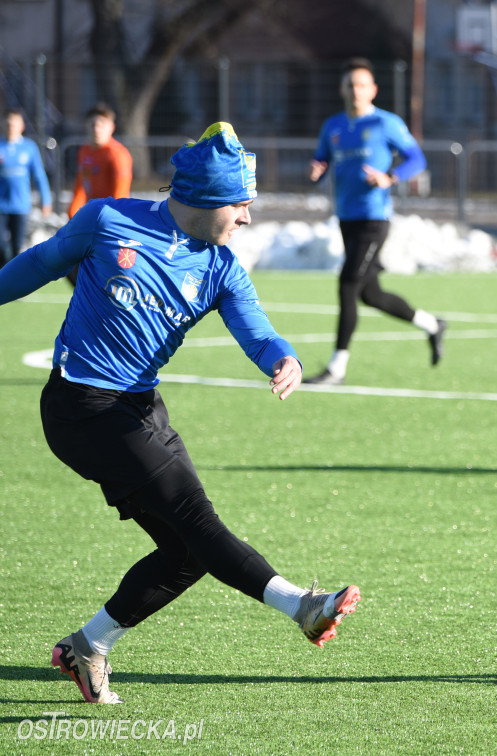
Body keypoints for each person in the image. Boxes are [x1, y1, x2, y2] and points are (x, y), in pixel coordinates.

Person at [0, 122, 361, 705]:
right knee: (196, 517)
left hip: (142, 408)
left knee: (187, 554)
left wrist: (284, 357)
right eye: (241, 205)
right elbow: (38, 264)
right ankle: (302, 605)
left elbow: (256, 330)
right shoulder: (107, 221)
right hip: (80, 407)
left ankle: (87, 647)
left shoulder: (220, 267)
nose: (246, 218)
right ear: (209, 200)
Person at [305, 57, 446, 386]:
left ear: (373, 90)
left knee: (348, 284)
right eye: (350, 85)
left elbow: (417, 159)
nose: (356, 90)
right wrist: (316, 170)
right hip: (347, 217)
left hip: (374, 219)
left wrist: (390, 177)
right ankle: (433, 325)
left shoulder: (386, 123)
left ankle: (336, 368)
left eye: (362, 85)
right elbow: (321, 159)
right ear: (342, 89)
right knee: (371, 294)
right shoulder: (334, 126)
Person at [0, 108, 52, 268]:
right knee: (1, 245)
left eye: (14, 123)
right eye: (8, 123)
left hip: (20, 205)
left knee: (17, 247)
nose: (11, 127)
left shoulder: (29, 148)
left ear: (21, 126)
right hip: (1, 205)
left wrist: (46, 200)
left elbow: (39, 175)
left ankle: (12, 283)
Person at [67, 102, 133, 219]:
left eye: (101, 125)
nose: (97, 129)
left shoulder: (117, 154)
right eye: (93, 124)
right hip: (92, 213)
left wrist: (112, 218)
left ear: (112, 127)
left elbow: (121, 193)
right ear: (86, 126)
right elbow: (80, 184)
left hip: (111, 217)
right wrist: (72, 213)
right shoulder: (84, 151)